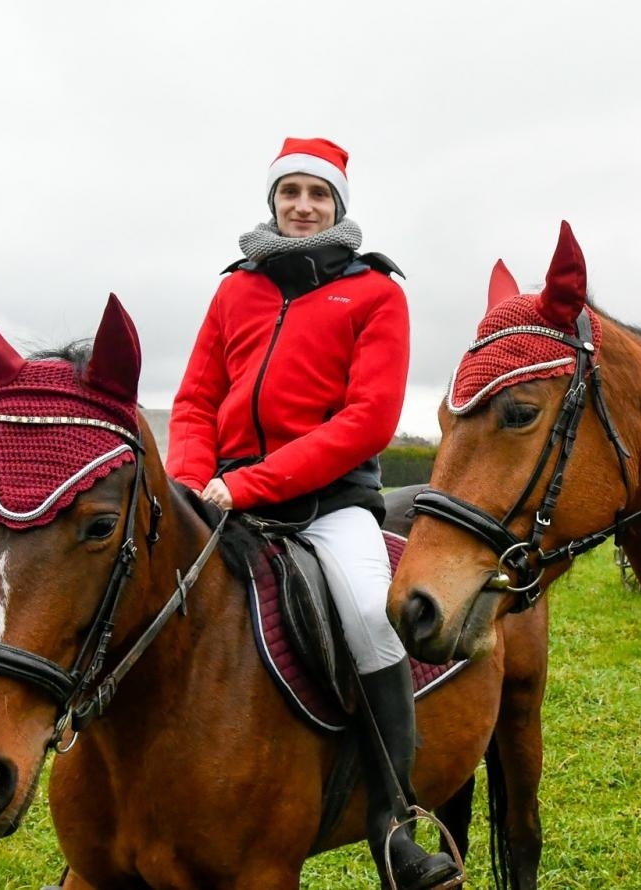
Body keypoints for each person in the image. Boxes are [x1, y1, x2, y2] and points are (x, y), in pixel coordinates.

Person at [167, 136, 461, 890]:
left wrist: (254, 483)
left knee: (368, 613)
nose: (303, 206)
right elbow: (197, 399)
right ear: (274, 201)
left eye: (318, 195)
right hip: (222, 498)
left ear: (338, 206)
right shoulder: (235, 289)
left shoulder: (374, 292)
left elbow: (366, 419)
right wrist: (192, 480)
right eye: (290, 192)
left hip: (329, 506)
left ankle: (394, 823)